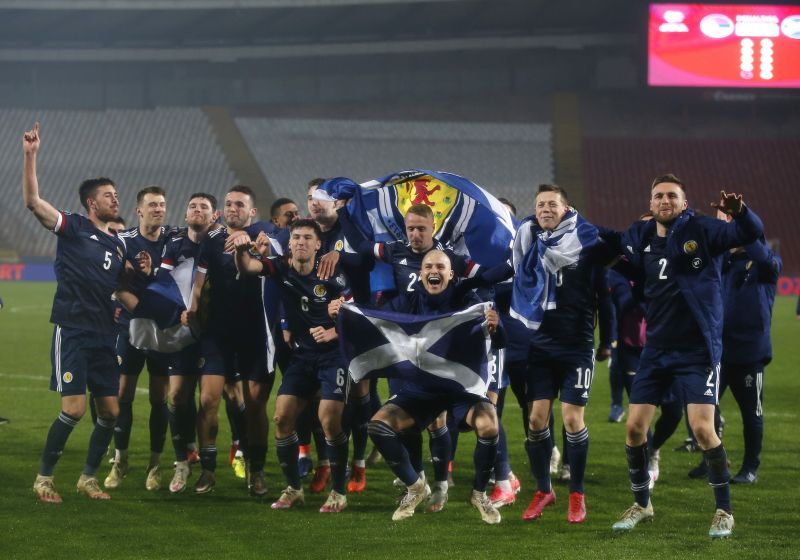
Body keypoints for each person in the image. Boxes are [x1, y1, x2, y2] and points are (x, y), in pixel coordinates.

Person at [612, 174, 763, 539]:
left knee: (702, 429)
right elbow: (620, 255)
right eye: (659, 196)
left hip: (697, 350)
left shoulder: (704, 230)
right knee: (634, 429)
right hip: (656, 350)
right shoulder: (642, 237)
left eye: (672, 196)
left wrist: (741, 214)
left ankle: (724, 510)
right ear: (650, 204)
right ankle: (642, 503)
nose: (665, 200)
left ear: (683, 201)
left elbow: (748, 234)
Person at [336, 249, 503, 524]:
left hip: (460, 386)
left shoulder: (468, 300)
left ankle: (479, 493)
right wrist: (341, 313)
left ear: (451, 274)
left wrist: (497, 326)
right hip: (422, 388)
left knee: (489, 425)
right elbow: (372, 319)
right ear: (421, 273)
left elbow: (498, 339)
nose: (433, 271)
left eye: (440, 266)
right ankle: (415, 486)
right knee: (378, 426)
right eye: (428, 266)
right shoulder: (407, 301)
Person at [24, 122, 125, 502]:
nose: (114, 199)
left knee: (111, 412)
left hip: (104, 334)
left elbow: (123, 289)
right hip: (73, 329)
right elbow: (34, 203)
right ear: (90, 203)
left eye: (116, 194)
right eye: (107, 195)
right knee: (75, 409)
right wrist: (31, 155)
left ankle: (87, 478)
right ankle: (44, 479)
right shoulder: (74, 227)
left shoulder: (118, 245)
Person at [233, 219, 352, 513]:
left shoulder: (335, 275)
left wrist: (334, 331)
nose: (300, 242)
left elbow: (359, 315)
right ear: (290, 243)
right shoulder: (281, 268)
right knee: (282, 417)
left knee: (328, 420)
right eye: (296, 237)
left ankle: (338, 491)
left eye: (307, 238)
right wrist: (240, 250)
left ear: (317, 244)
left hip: (334, 356)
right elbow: (248, 267)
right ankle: (293, 489)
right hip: (302, 357)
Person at [511, 184, 613, 524]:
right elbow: (507, 278)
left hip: (576, 347)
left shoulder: (588, 245)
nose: (544, 209)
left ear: (566, 209)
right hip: (540, 346)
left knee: (572, 420)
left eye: (552, 204)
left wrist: (607, 340)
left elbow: (606, 296)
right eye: (540, 204)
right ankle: (544, 490)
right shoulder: (528, 244)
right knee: (536, 421)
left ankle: (577, 493)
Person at [186, 185, 274, 496]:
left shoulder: (265, 235)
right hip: (218, 334)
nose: (233, 208)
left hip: (254, 335)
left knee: (254, 405)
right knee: (208, 400)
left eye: (240, 204)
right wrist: (194, 307)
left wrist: (257, 244)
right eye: (228, 204)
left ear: (252, 211)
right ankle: (208, 470)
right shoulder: (212, 239)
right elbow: (201, 276)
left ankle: (257, 470)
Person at [104, 186, 177, 492]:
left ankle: (155, 464)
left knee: (160, 398)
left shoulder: (174, 239)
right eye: (152, 205)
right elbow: (113, 281)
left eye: (162, 204)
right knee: (124, 394)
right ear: (139, 210)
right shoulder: (123, 241)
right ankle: (120, 460)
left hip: (162, 331)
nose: (158, 209)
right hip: (129, 327)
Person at [159, 193, 219, 492]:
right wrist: (175, 314)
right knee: (178, 398)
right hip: (181, 332)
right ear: (185, 216)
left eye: (204, 207)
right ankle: (182, 461)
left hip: (214, 335)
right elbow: (162, 285)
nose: (197, 210)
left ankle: (215, 464)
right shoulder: (174, 247)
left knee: (212, 400)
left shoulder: (221, 245)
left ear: (214, 216)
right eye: (192, 206)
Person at [717, 213, 780, 484]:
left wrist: (742, 221)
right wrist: (723, 229)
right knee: (700, 407)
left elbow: (763, 256)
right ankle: (715, 460)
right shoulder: (724, 264)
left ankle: (750, 468)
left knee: (751, 413)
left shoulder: (766, 264)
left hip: (749, 354)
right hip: (717, 351)